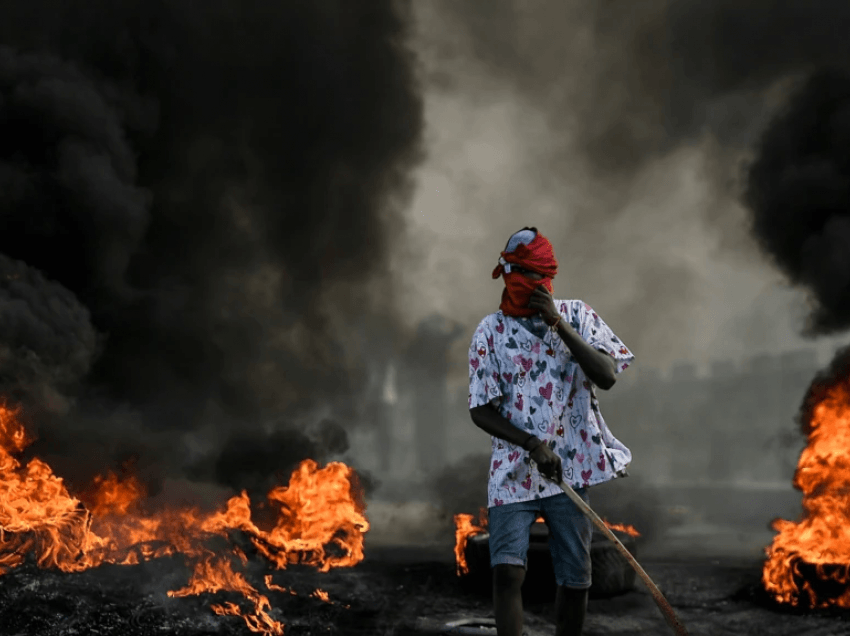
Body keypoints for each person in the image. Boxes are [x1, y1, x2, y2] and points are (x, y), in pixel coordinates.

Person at [468, 227, 634, 636]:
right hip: (513, 476)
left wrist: (557, 323)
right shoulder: (489, 332)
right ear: (505, 273)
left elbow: (607, 376)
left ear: (547, 279)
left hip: (569, 473)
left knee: (576, 579)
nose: (521, 285)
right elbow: (480, 410)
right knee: (507, 572)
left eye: (530, 276)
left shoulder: (578, 316)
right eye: (514, 273)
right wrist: (530, 444)